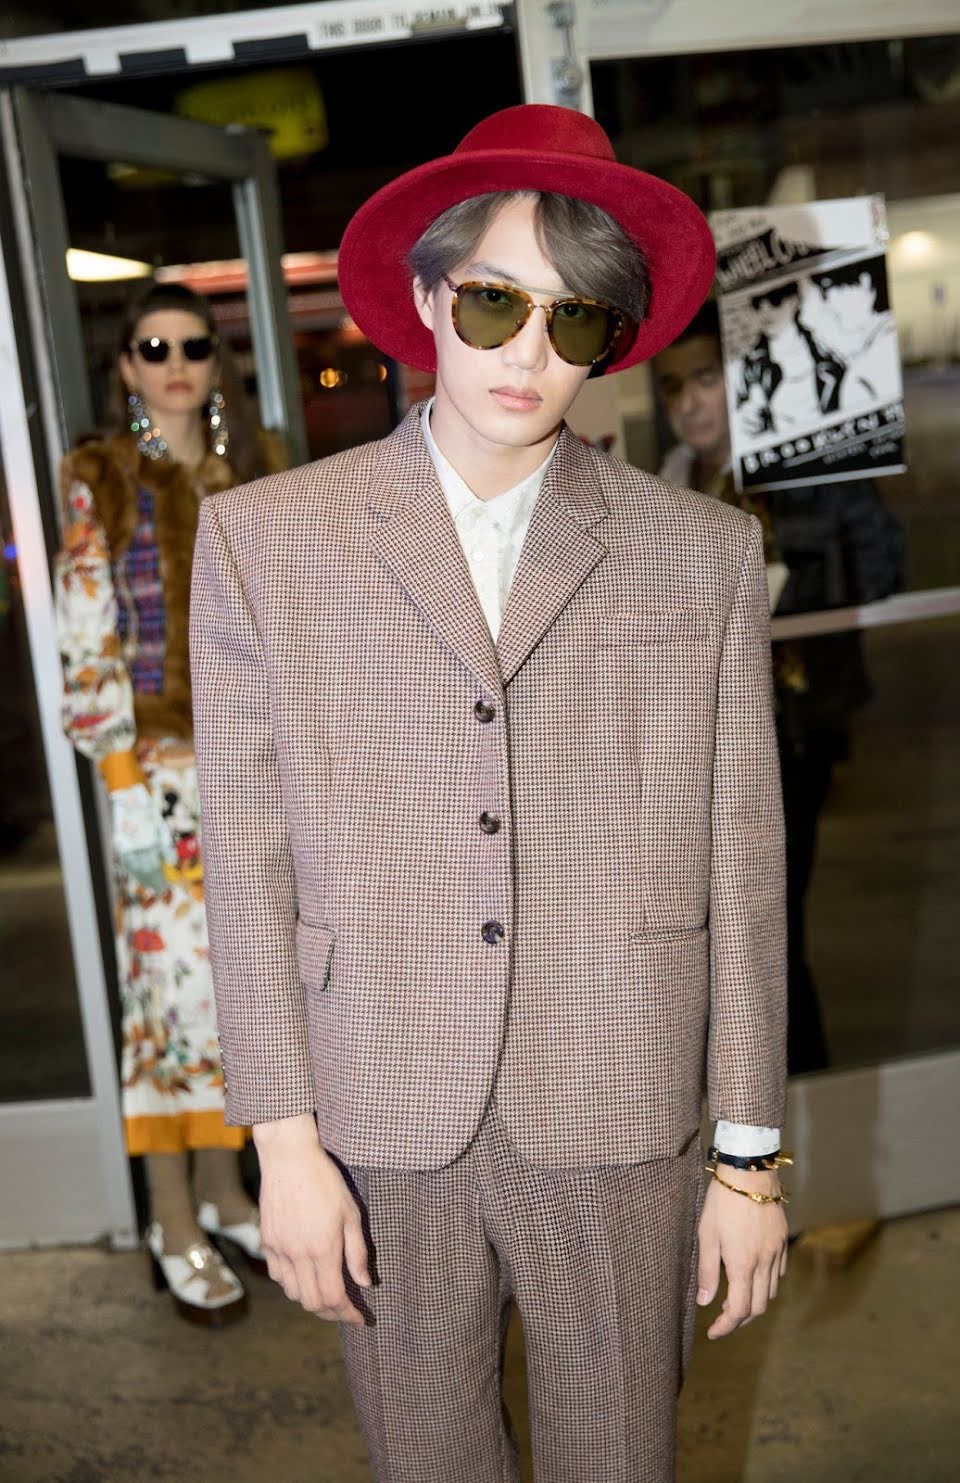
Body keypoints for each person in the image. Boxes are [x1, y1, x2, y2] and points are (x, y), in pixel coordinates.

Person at [191, 106, 789, 1481]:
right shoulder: (269, 542)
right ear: (426, 299)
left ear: (610, 341)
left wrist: (749, 1158)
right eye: (494, 302)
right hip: (379, 1104)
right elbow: (248, 859)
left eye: (573, 320)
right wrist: (283, 1143)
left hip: (620, 1097)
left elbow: (742, 861)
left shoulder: (696, 553)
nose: (527, 352)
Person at [55, 281, 283, 1325]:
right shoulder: (100, 476)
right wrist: (120, 782)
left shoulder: (257, 470)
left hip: (254, 774)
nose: (176, 364)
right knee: (171, 1003)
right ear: (126, 366)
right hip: (153, 773)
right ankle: (173, 1212)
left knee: (248, 992)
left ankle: (230, 1191)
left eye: (194, 345)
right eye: (154, 348)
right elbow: (85, 629)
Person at [656, 299, 906, 1073]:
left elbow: (883, 566)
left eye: (705, 378)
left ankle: (796, 1091)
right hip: (700, 744)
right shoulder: (670, 480)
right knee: (728, 935)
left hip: (789, 732)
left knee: (768, 929)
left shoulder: (799, 471)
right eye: (672, 386)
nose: (689, 402)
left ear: (743, 379)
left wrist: (826, 475)